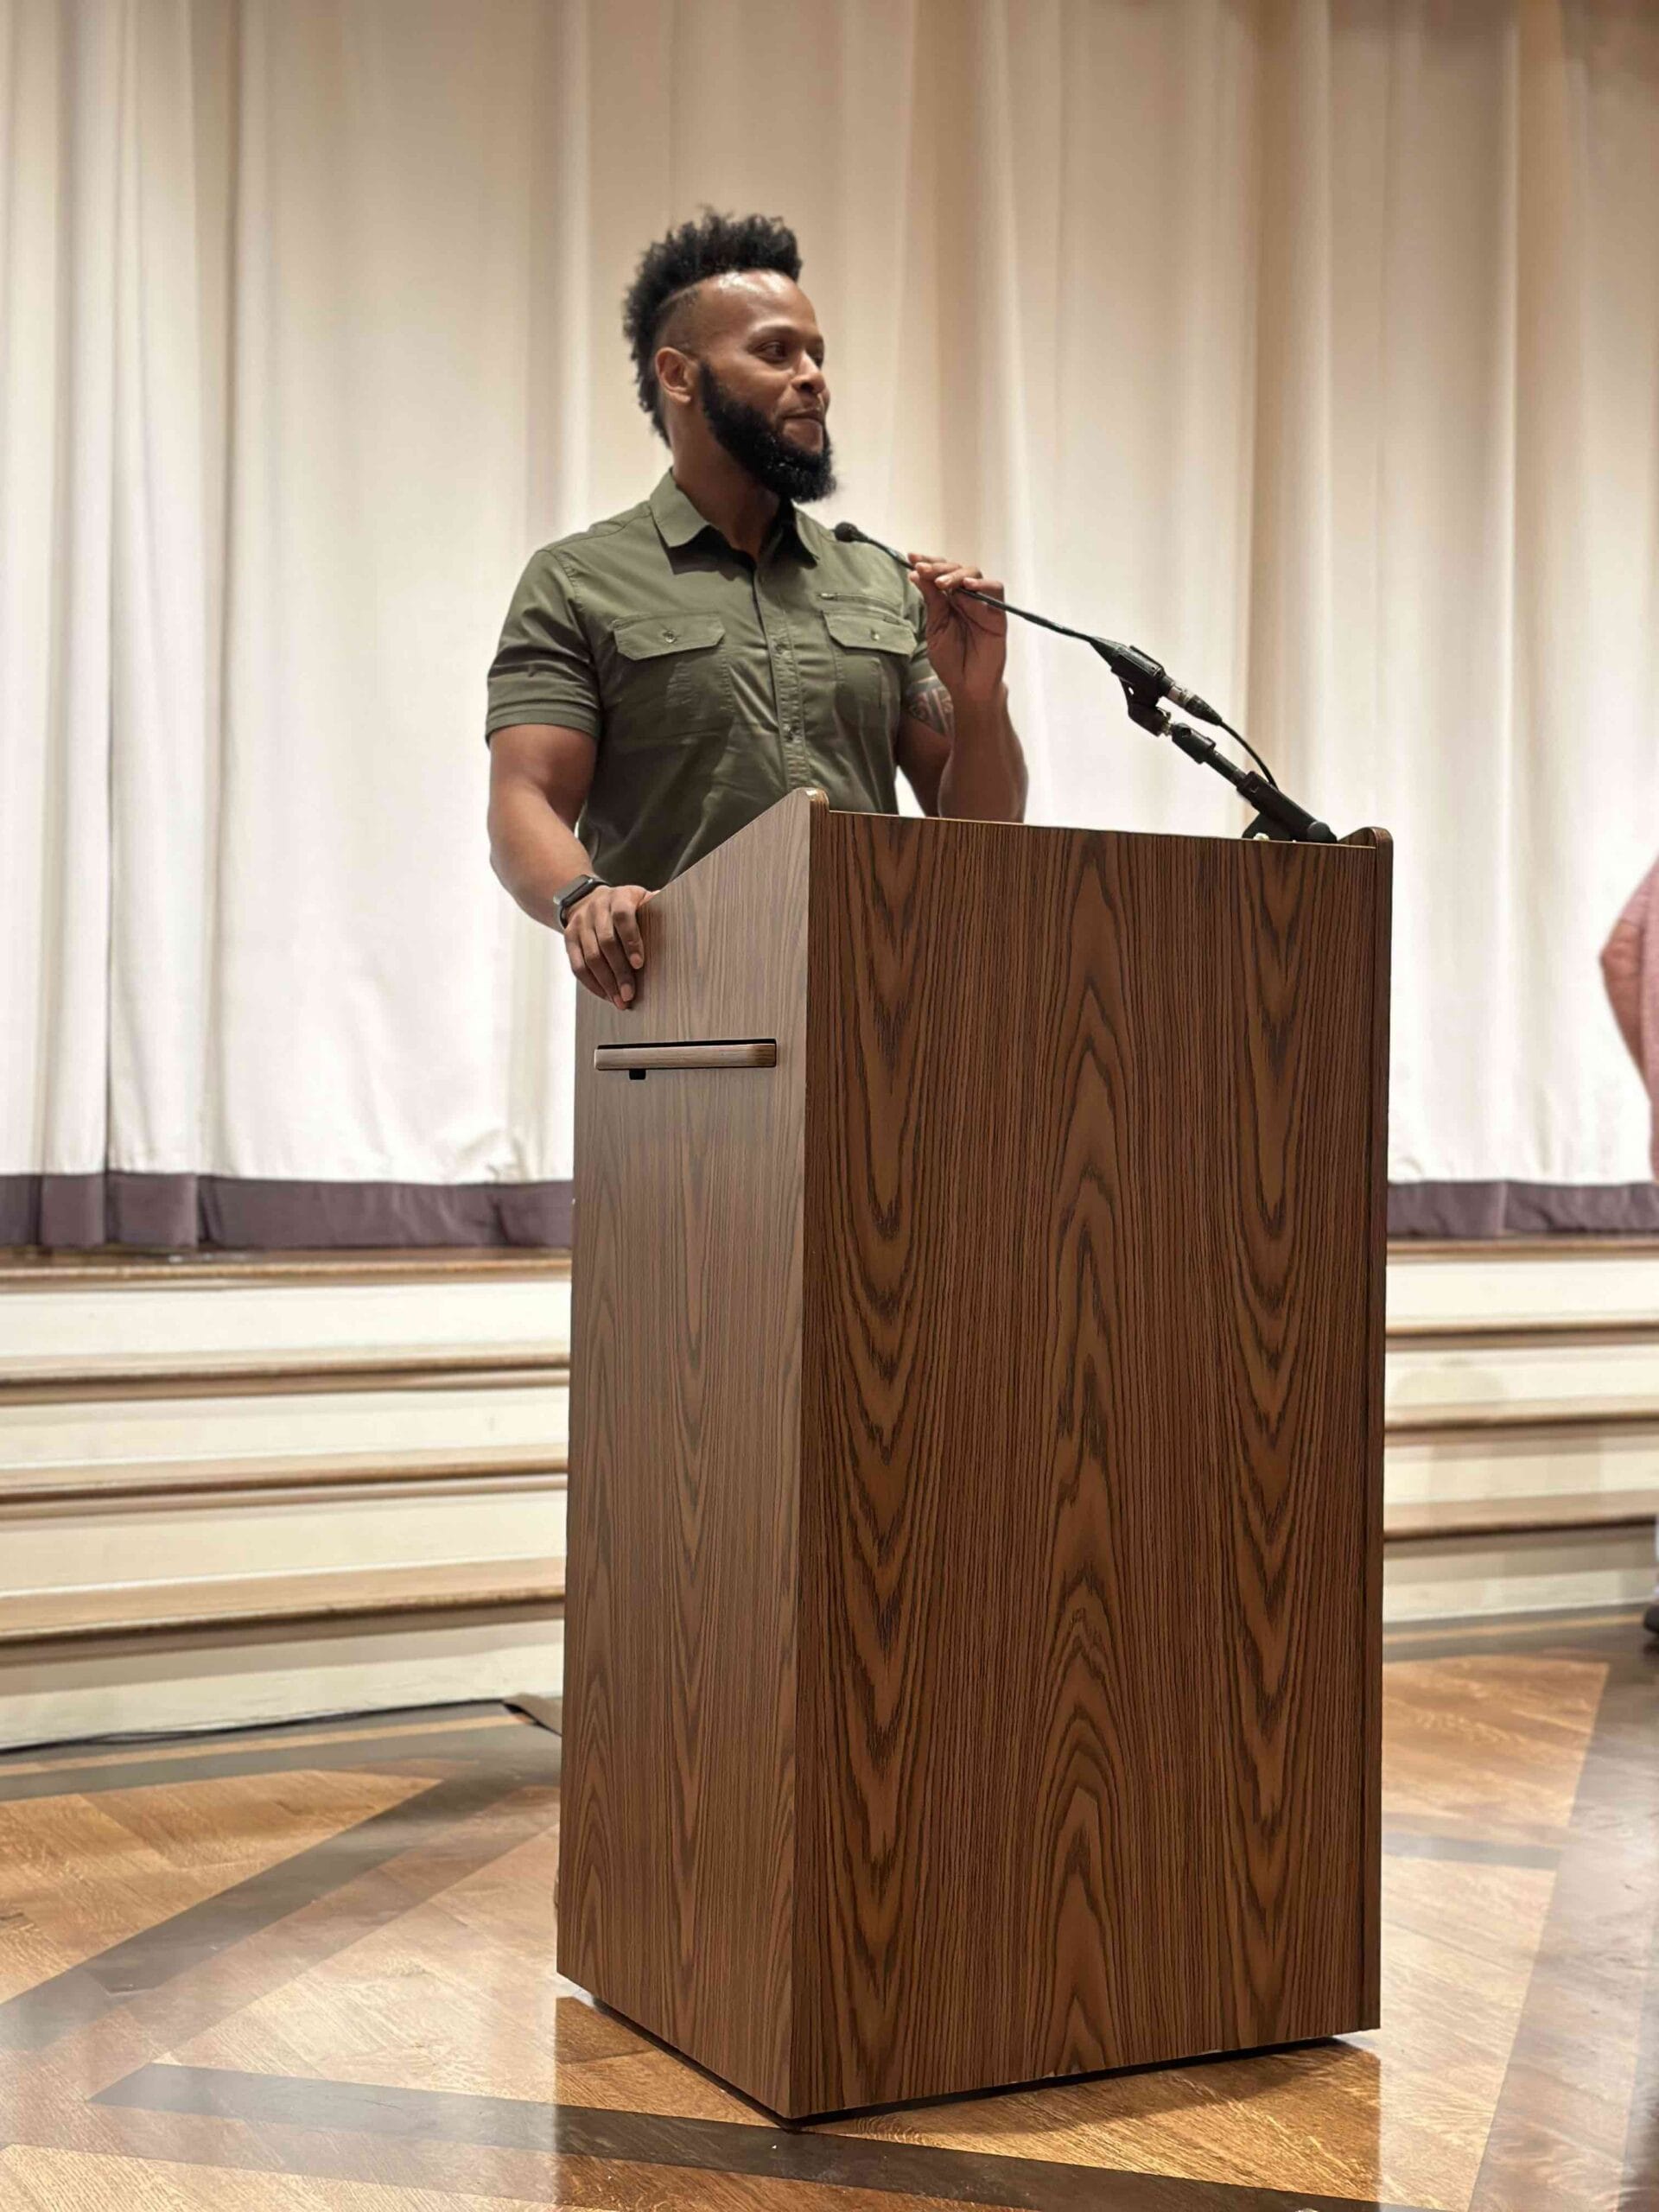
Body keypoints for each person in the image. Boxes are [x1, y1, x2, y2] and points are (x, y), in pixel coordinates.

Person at [485, 210, 1027, 1008]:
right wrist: (583, 899)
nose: (813, 377)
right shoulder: (577, 580)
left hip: (882, 1008)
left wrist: (979, 701)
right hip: (676, 1014)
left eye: (817, 355)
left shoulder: (883, 582)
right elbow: (522, 798)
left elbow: (986, 841)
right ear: (680, 376)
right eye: (776, 352)